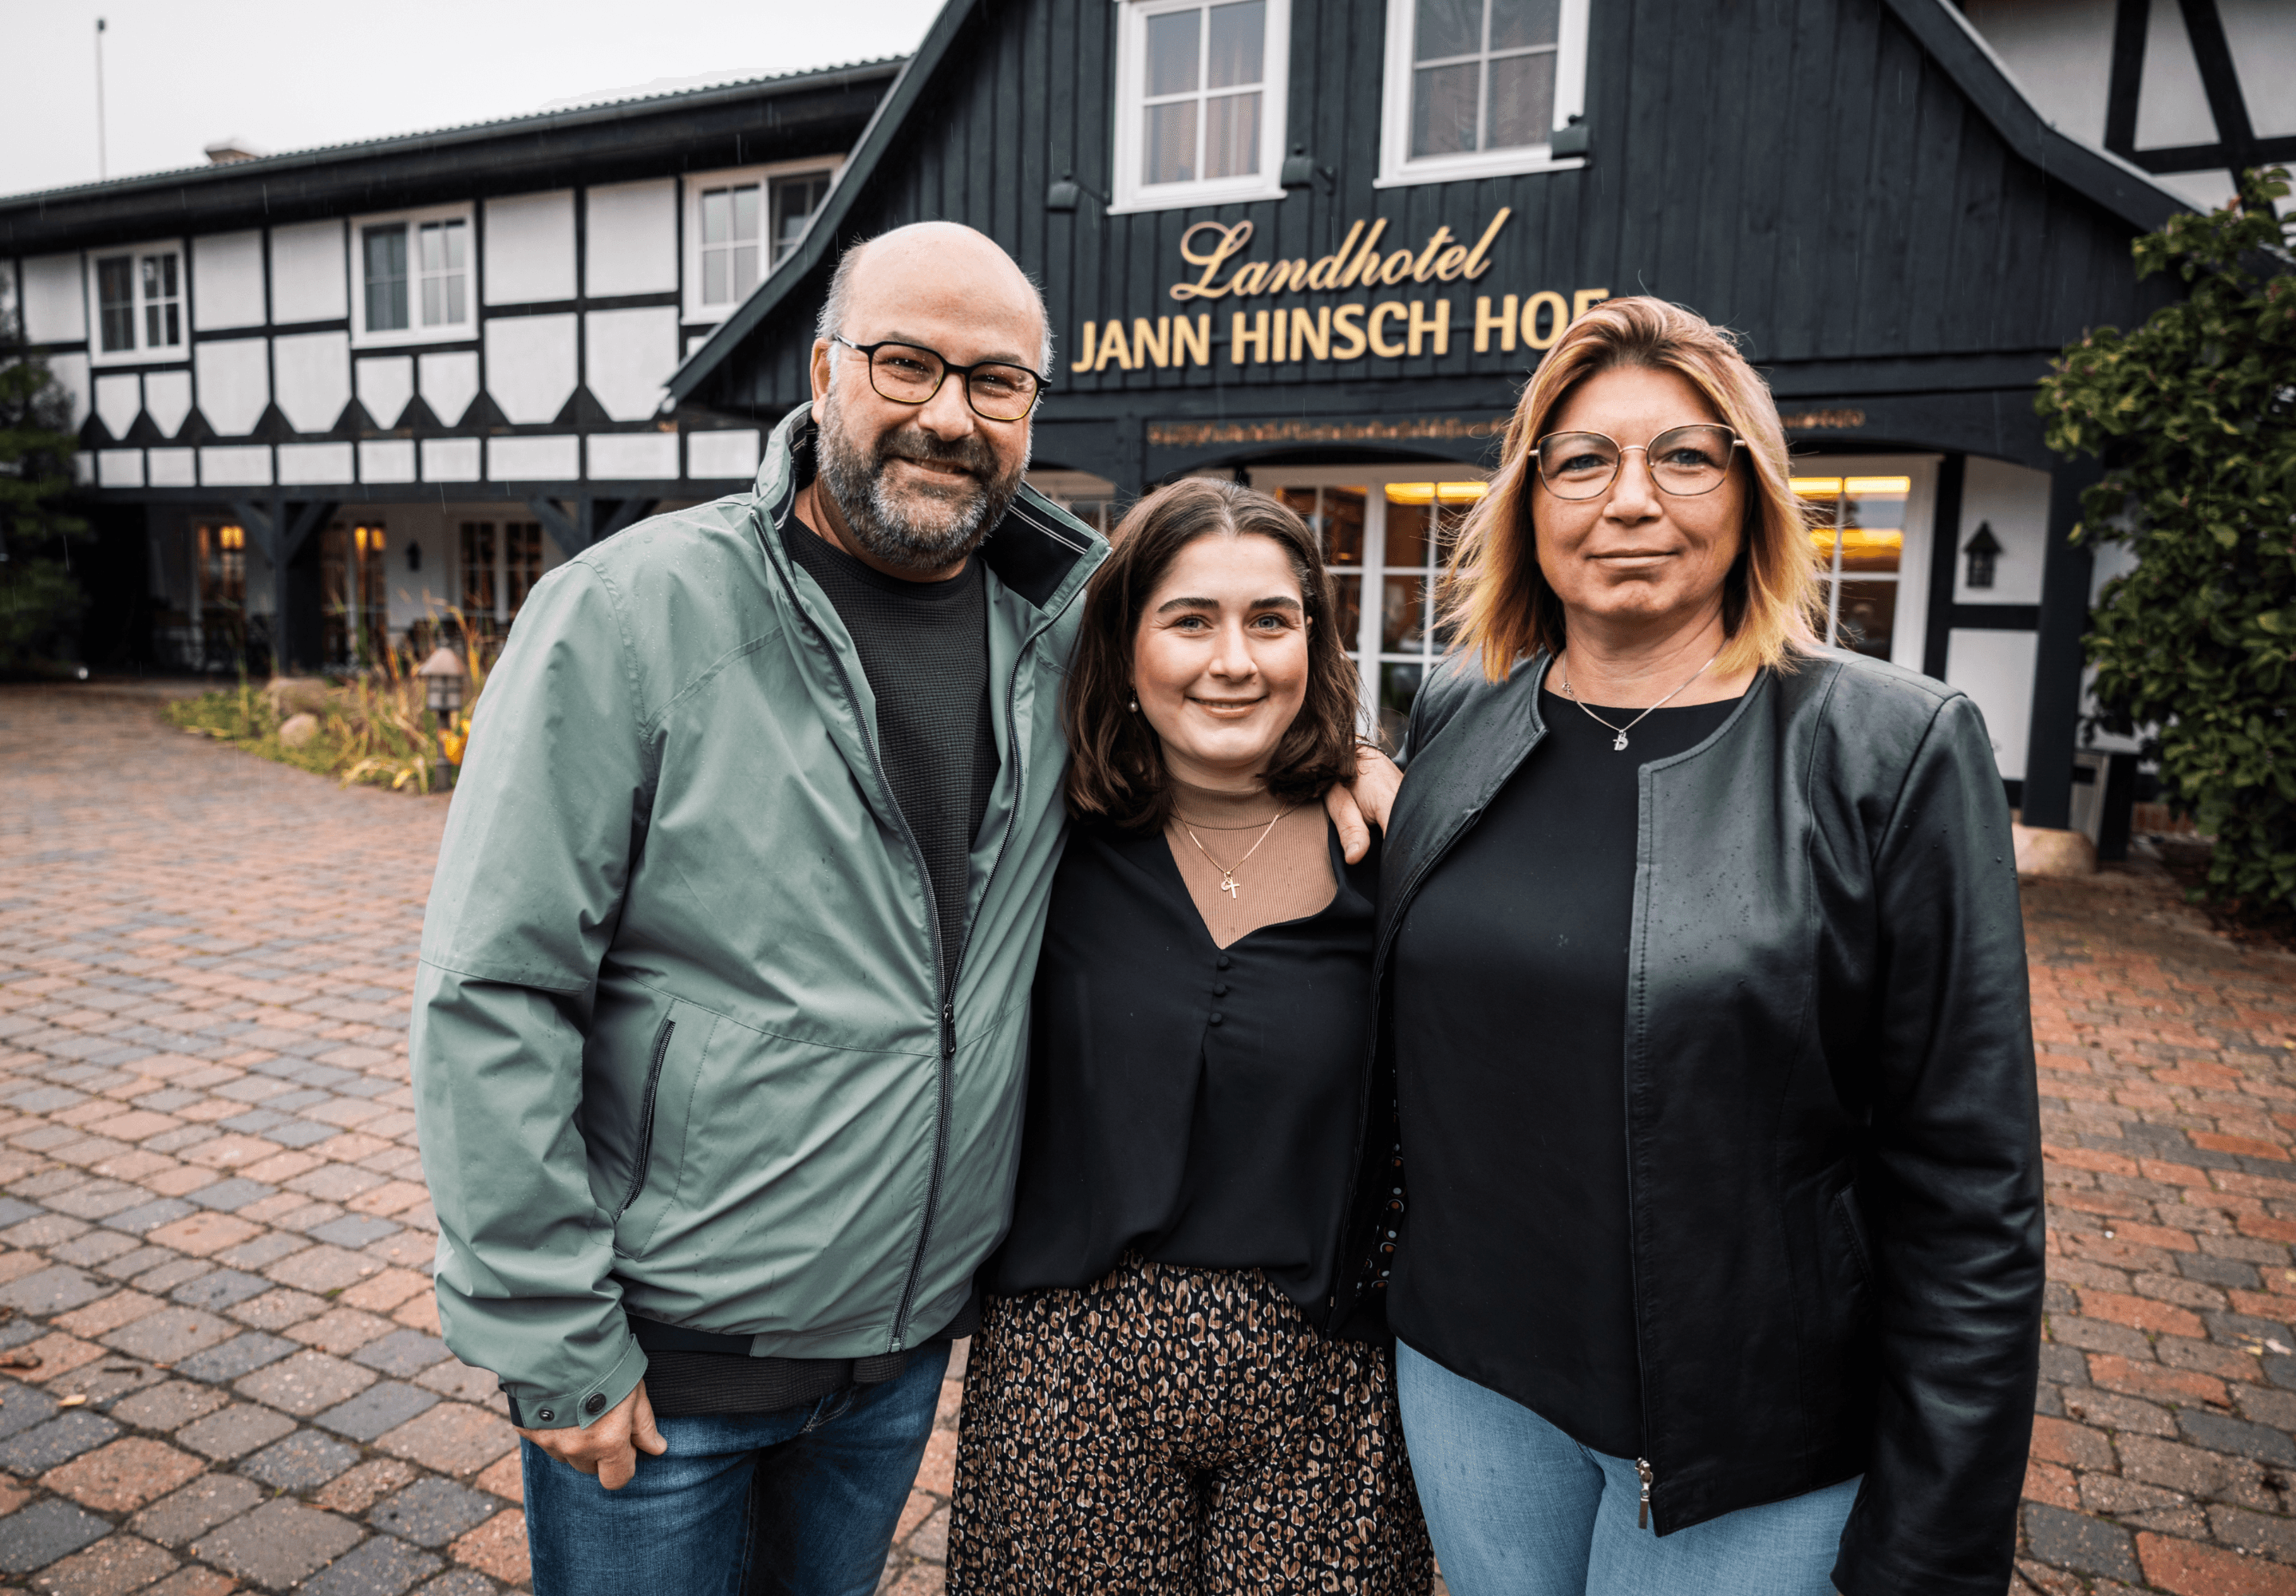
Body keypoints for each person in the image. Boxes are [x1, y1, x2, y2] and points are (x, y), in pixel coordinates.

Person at [409, 222, 1392, 1596]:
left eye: (995, 382)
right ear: (822, 373)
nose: (948, 413)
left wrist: (1345, 756)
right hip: (668, 1357)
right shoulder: (630, 613)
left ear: (1032, 412)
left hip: (897, 1359)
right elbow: (494, 991)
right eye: (906, 363)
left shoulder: (1057, 639)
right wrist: (550, 1334)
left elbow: (1222, 687)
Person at [1363, 297, 2041, 1596]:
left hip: (1751, 1433)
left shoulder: (1889, 751)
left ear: (1752, 491)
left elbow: (1972, 1184)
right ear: (1528, 499)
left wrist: (1938, 1536)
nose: (1630, 500)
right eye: (1581, 460)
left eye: (1684, 455)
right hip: (1469, 1383)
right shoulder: (1456, 718)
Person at [946, 477, 1433, 1594]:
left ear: (1313, 640)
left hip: (1328, 1383)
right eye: (1189, 618)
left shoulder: (1394, 850)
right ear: (1121, 648)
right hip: (1068, 1370)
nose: (1235, 660)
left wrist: (1368, 768)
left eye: (1270, 619)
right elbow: (963, 521)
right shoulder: (1039, 835)